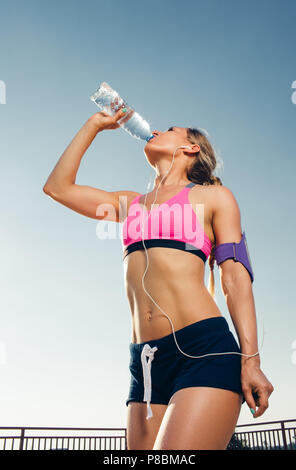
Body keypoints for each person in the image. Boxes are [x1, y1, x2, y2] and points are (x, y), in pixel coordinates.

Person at [43, 108, 274, 450]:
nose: (156, 130)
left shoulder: (213, 198)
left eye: (170, 129)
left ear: (191, 147)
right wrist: (94, 125)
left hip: (203, 352)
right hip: (144, 362)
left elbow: (235, 279)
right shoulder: (129, 205)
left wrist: (251, 359)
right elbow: (58, 188)